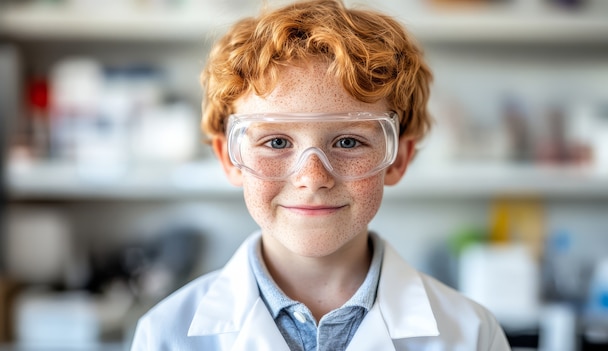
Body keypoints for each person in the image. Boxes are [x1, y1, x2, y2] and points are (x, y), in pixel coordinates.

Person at [130, 0, 512, 350]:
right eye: (277, 142)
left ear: (397, 158)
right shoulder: (164, 334)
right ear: (229, 158)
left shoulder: (471, 334)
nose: (312, 177)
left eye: (348, 142)